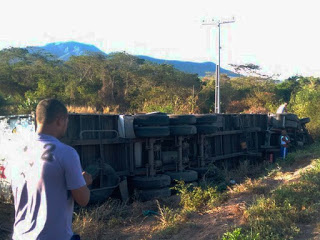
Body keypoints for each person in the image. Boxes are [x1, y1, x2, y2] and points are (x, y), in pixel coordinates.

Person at [7, 99, 92, 240]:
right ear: (60, 120)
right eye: (66, 121)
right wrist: (84, 183)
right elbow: (83, 200)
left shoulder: (17, 153)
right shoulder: (65, 153)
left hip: (20, 236)